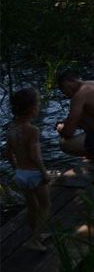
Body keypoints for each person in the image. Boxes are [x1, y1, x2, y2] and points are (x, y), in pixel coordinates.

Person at [5, 88, 50, 252]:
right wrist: (44, 172)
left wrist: (16, 168)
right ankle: (35, 239)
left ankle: (37, 233)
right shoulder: (32, 130)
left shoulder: (11, 129)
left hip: (21, 174)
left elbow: (7, 152)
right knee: (45, 205)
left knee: (32, 206)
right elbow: (35, 155)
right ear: (32, 109)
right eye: (38, 105)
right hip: (34, 173)